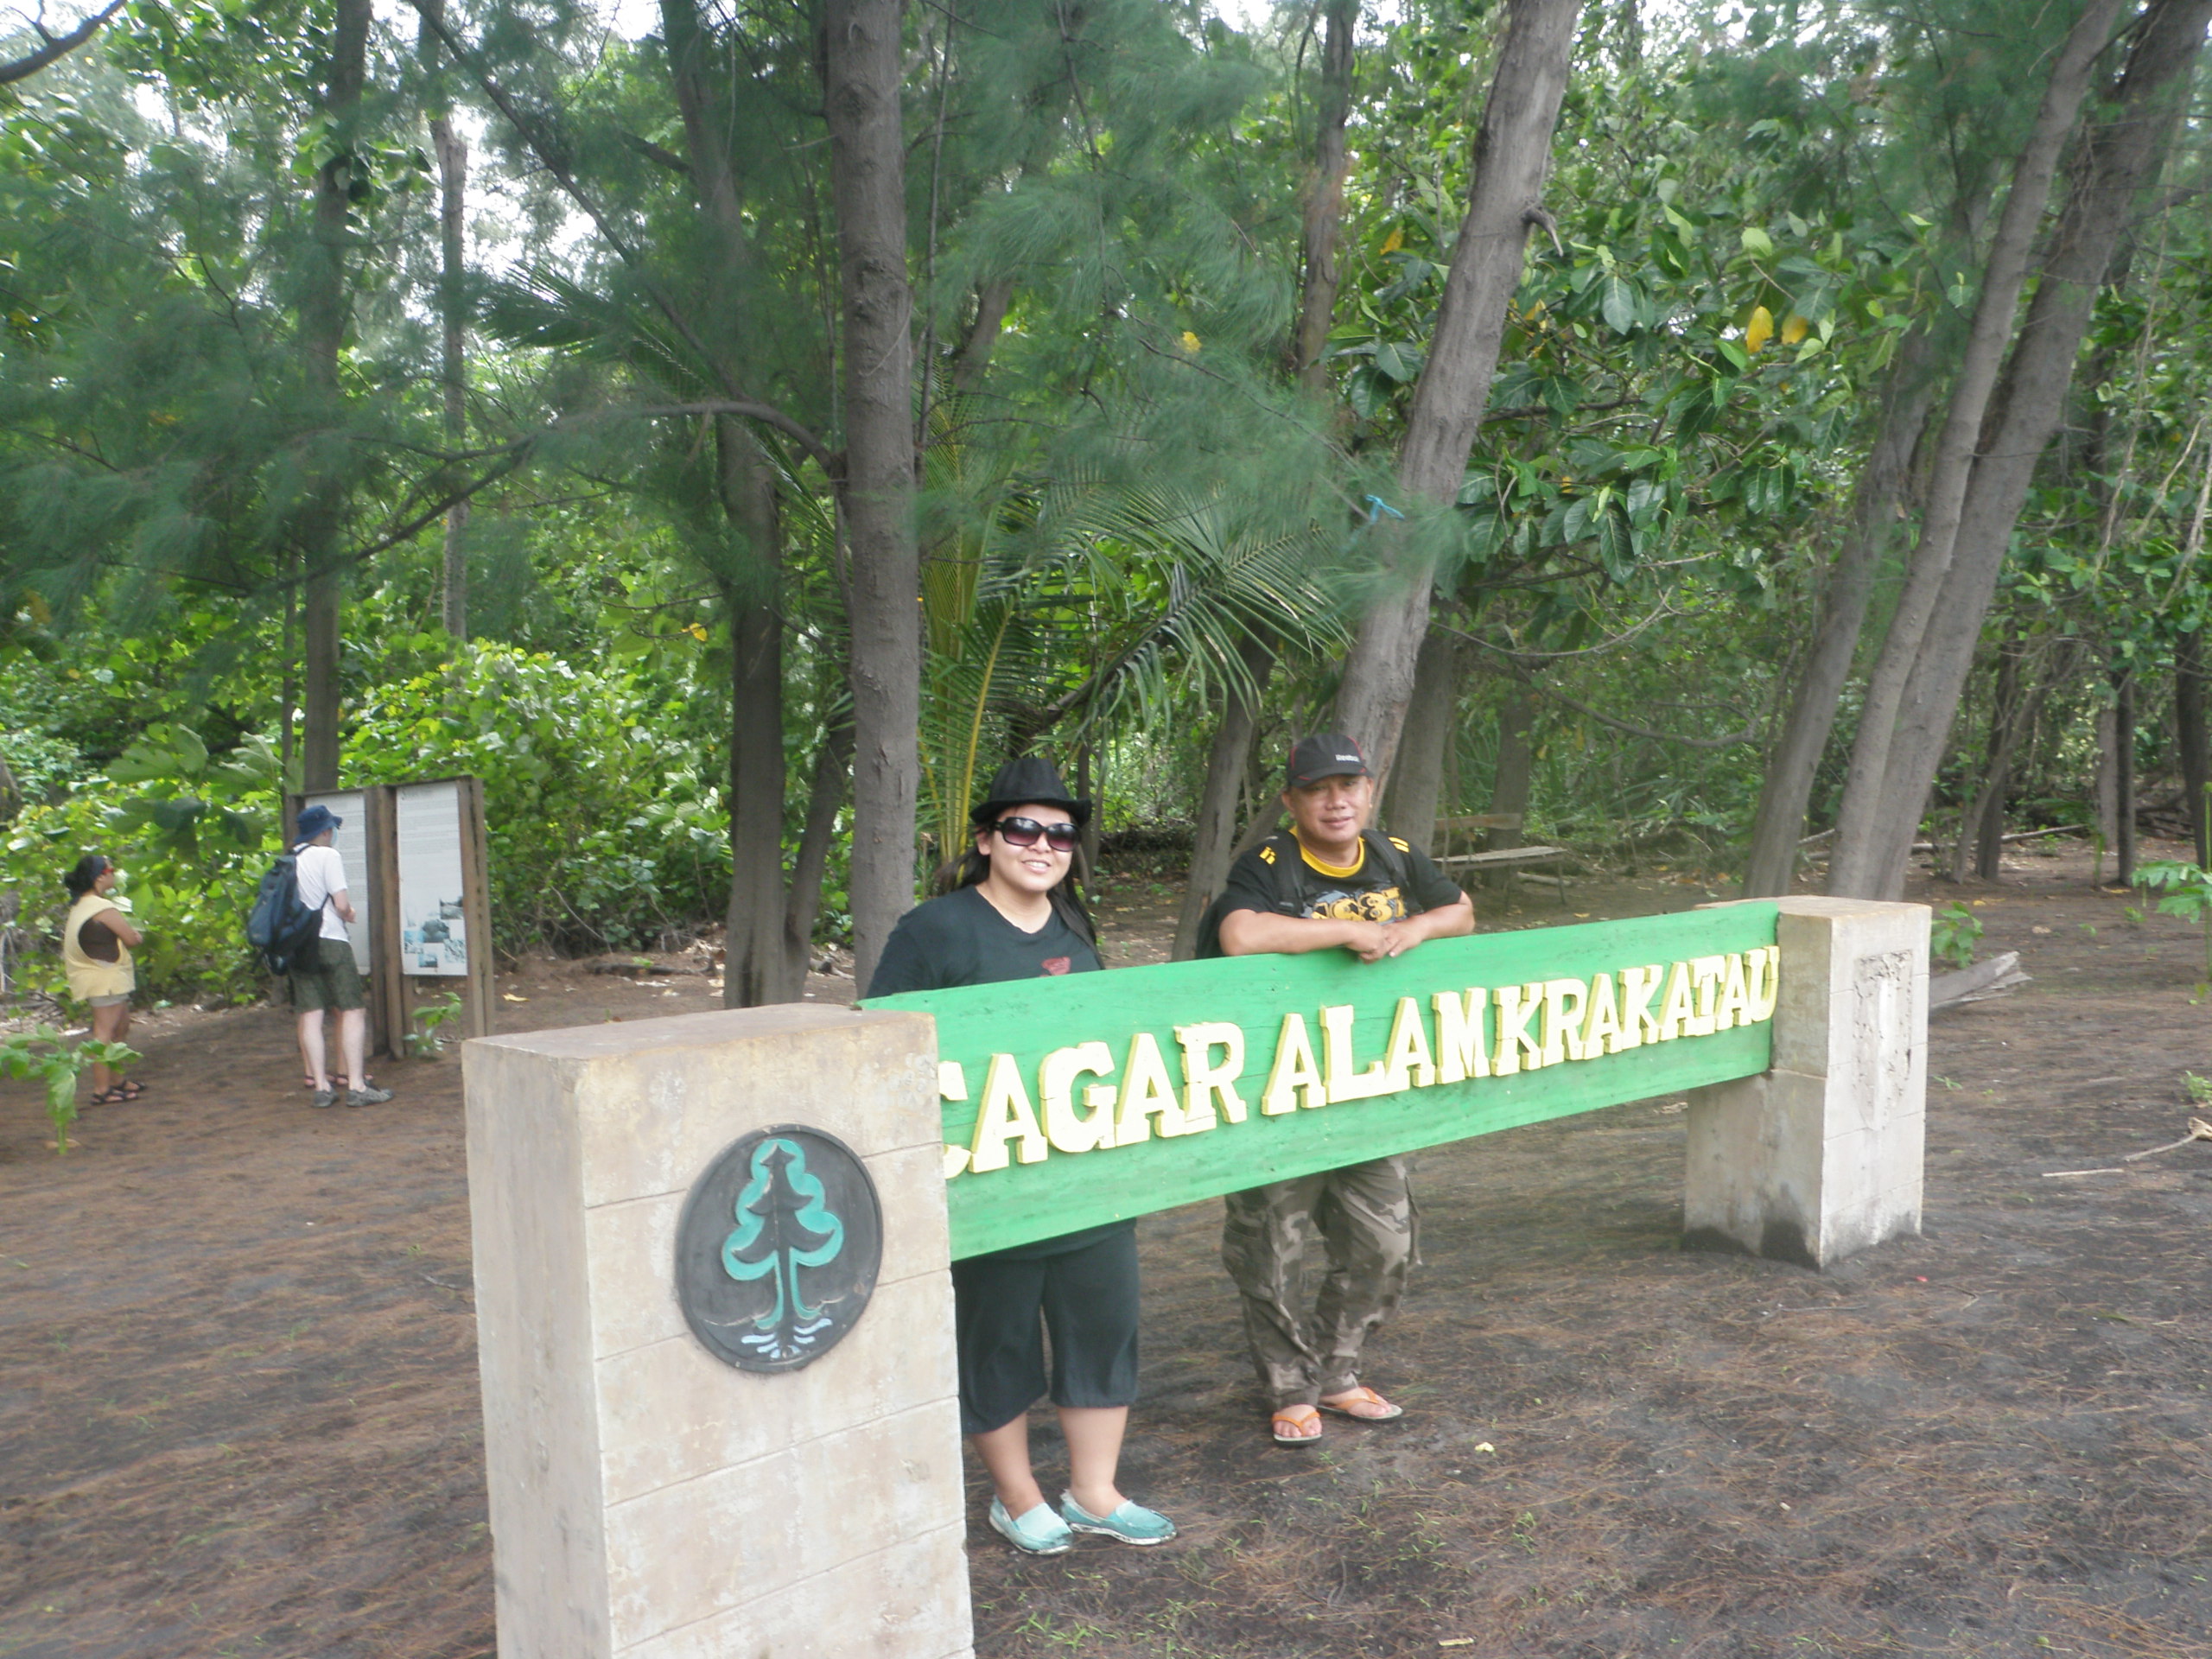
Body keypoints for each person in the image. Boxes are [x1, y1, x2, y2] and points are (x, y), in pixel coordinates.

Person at [868, 756, 1176, 1557]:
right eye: (1023, 828)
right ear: (986, 839)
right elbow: (881, 1043)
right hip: (988, 1185)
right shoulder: (933, 929)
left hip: (1086, 1178)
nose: (1043, 844)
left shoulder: (1076, 925)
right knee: (996, 1341)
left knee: (1102, 1331)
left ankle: (1095, 1491)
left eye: (1061, 832)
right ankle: (1018, 1498)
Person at [1198, 734, 1475, 1446]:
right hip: (1278, 1085)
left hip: (1366, 1084)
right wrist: (1345, 930)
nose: (1336, 800)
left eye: (1348, 786)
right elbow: (1240, 934)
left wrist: (1413, 927)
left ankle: (1338, 1373)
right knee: (1271, 1250)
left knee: (1385, 1243)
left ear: (1369, 791)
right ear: (1291, 802)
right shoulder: (1269, 861)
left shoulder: (1396, 855)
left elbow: (1461, 912)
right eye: (1318, 789)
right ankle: (1289, 1388)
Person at [289, 804, 392, 1110]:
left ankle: (322, 1087)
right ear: (324, 831)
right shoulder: (328, 856)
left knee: (311, 1013)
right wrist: (350, 914)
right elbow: (341, 904)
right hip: (331, 940)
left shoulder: (290, 858)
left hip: (299, 944)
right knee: (352, 1010)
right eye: (332, 829)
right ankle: (357, 1086)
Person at [60, 853, 143, 1104]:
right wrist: (139, 936)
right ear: (100, 877)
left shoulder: (82, 906)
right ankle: (101, 1088)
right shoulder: (102, 908)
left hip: (101, 977)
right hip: (105, 979)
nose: (114, 874)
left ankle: (116, 1080)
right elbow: (131, 939)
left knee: (120, 1027)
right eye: (111, 870)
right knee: (105, 1033)